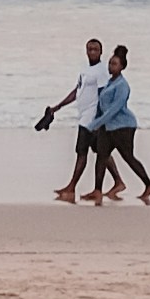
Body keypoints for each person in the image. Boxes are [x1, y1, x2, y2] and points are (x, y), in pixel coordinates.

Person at [40, 37, 106, 204]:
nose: (92, 52)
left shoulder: (101, 71)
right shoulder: (85, 69)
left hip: (90, 118)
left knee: (81, 152)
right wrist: (58, 106)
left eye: (95, 49)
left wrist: (99, 119)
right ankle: (119, 181)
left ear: (101, 52)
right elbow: (77, 91)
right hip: (83, 114)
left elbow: (103, 96)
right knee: (100, 151)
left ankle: (71, 187)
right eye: (89, 49)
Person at [94, 38, 150, 207]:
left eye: (114, 64)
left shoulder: (122, 85)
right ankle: (97, 190)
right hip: (108, 127)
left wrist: (96, 123)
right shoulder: (110, 83)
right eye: (110, 63)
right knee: (101, 156)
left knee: (128, 157)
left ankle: (149, 185)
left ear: (122, 67)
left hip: (124, 126)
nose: (110, 66)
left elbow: (114, 109)